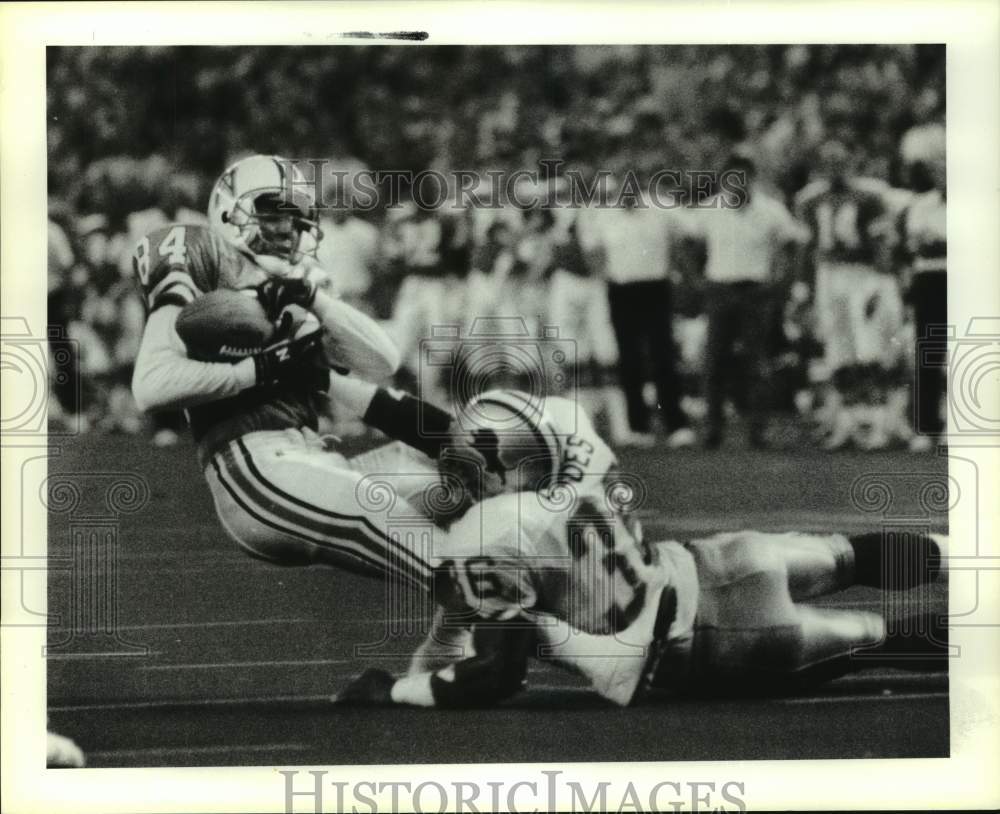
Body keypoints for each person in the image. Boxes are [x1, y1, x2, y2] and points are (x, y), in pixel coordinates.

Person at [129, 154, 488, 589]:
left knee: (468, 480)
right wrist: (258, 370)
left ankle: (456, 655)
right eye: (272, 211)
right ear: (228, 209)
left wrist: (314, 299)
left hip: (314, 458)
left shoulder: (301, 276)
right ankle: (515, 628)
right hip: (255, 469)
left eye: (294, 216)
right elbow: (150, 386)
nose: (285, 227)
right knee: (455, 568)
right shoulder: (197, 252)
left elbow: (381, 362)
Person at [336, 504, 949, 708]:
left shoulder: (476, 555)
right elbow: (455, 622)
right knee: (852, 555)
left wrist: (392, 691)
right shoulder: (548, 484)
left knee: (881, 637)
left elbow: (496, 671)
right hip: (721, 560)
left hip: (704, 644)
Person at [681, 152, 810, 449]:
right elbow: (687, 243)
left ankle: (758, 430)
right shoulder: (710, 208)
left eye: (742, 179)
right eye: (730, 179)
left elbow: (795, 244)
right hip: (720, 289)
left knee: (758, 362)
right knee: (714, 361)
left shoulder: (770, 210)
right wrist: (696, 280)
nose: (736, 185)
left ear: (751, 180)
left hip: (756, 291)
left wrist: (782, 280)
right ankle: (713, 428)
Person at [794, 140, 908, 450]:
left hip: (861, 275)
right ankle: (847, 424)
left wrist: (881, 283)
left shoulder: (869, 197)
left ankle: (880, 423)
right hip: (829, 276)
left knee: (869, 352)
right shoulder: (811, 200)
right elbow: (807, 249)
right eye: (828, 161)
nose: (835, 167)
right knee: (838, 353)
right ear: (820, 165)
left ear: (850, 163)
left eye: (840, 161)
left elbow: (883, 245)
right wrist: (802, 289)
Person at [579, 179, 694, 448]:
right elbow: (592, 251)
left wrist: (680, 271)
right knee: (629, 358)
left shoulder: (661, 208)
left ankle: (676, 424)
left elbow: (688, 234)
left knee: (662, 356)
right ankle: (638, 426)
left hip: (656, 287)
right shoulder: (603, 214)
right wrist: (604, 276)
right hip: (621, 289)